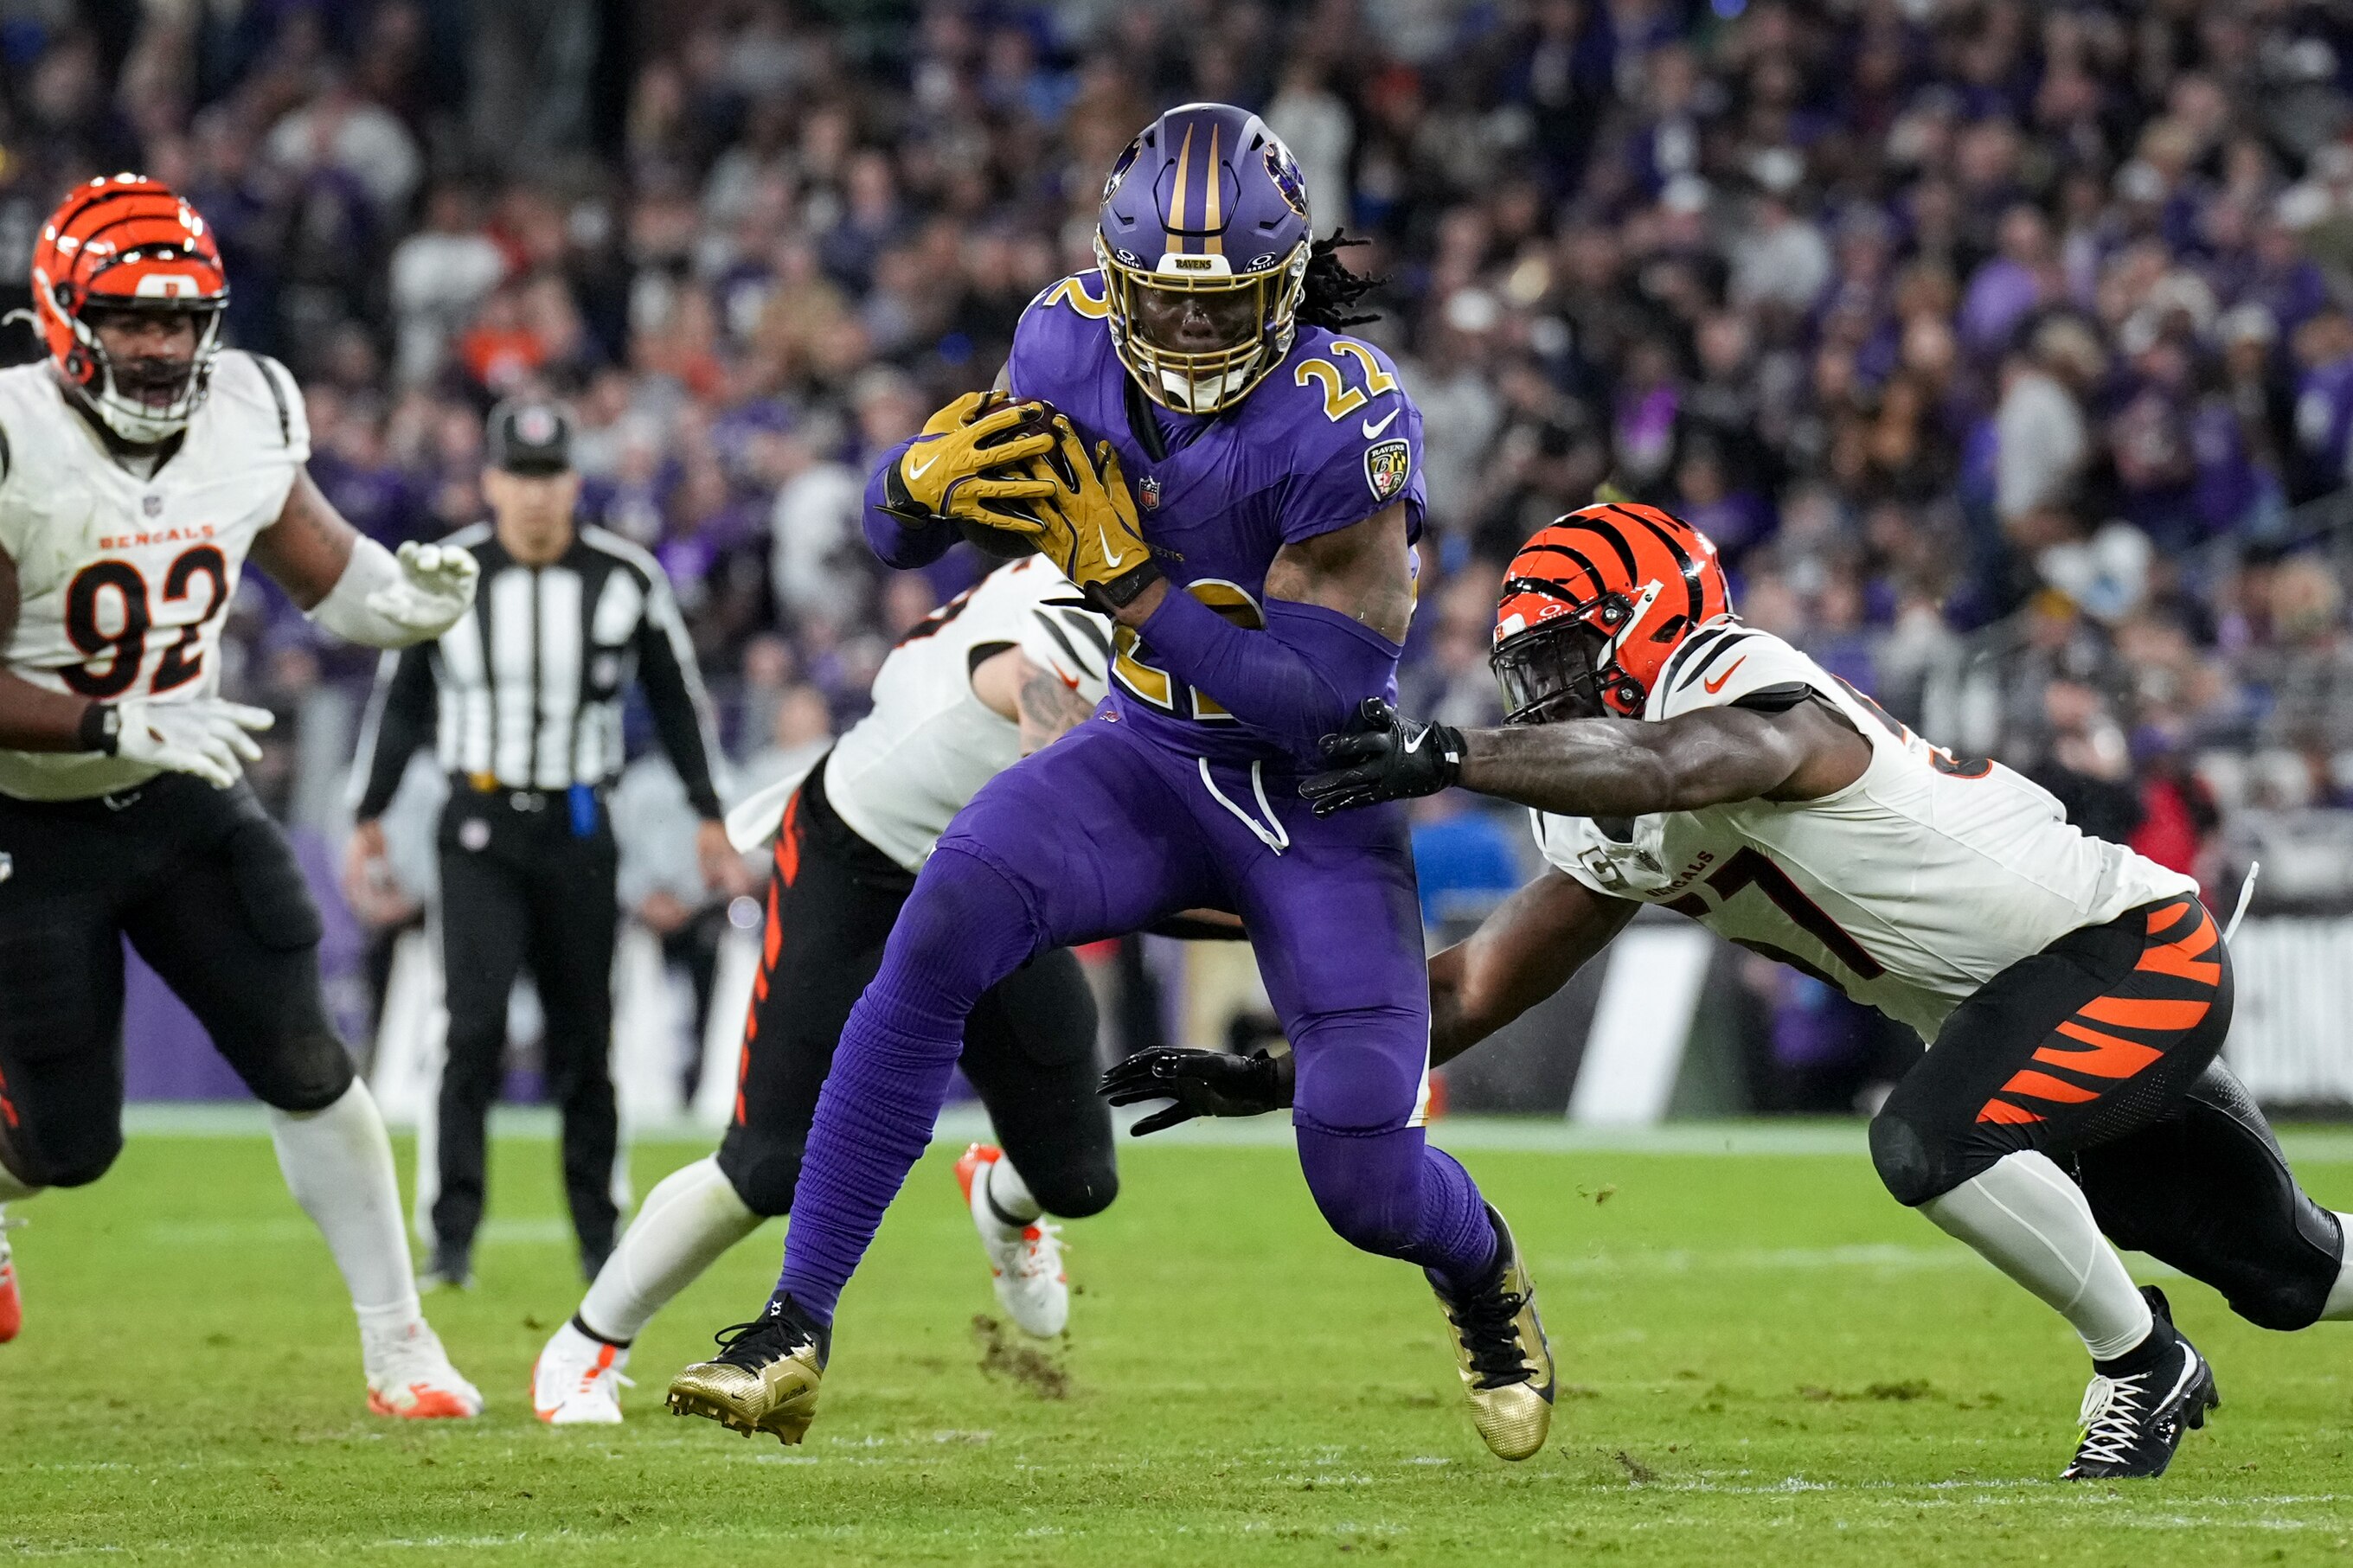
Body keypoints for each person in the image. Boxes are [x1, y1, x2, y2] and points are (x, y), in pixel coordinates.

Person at [666, 104, 1555, 1463]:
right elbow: (906, 532)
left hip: (1307, 805)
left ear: (1286, 287)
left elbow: (1316, 707)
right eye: (1167, 302)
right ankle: (793, 1325)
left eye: (1228, 305)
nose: (1193, 333)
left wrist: (1130, 581)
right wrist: (907, 488)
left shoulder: (1345, 421)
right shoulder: (1063, 336)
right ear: (1118, 278)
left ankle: (1482, 1271)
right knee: (943, 921)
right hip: (1143, 755)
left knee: (1362, 1177)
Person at [1127, 498, 2353, 1481]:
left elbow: (1678, 759)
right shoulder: (1617, 808)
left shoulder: (1741, 686)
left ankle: (2140, 1364)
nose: (1542, 697)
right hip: (2022, 1010)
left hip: (2126, 951)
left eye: (1564, 659)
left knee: (1932, 1138)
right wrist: (1281, 1071)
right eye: (1526, 673)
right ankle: (2183, 1334)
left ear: (1655, 624)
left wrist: (1453, 755)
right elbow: (1473, 988)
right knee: (2290, 1269)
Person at [0, 175, 483, 1417]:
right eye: (130, 318)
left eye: (181, 319)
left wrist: (402, 602)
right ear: (64, 314)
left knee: (304, 1051)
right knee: (66, 1145)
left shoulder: (252, 404)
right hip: (27, 811)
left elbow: (325, 570)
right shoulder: (13, 435)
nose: (161, 346)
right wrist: (109, 714)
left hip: (176, 788)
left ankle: (401, 1346)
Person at [530, 555, 1125, 1423]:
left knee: (1078, 1178)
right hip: (862, 859)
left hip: (989, 876)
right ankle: (587, 1344)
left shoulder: (1181, 607)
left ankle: (1000, 1195)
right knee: (766, 1165)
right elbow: (1034, 698)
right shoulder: (1072, 612)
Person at [347, 399, 745, 1290]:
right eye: (518, 477)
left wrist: (708, 813)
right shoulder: (449, 576)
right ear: (490, 482)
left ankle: (599, 1238)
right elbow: (401, 697)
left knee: (584, 1037)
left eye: (550, 475)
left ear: (574, 481)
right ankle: (451, 1238)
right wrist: (368, 812)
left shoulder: (623, 576)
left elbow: (676, 698)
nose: (534, 495)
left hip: (577, 825)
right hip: (478, 824)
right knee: (472, 1029)